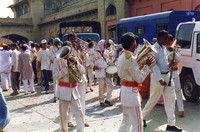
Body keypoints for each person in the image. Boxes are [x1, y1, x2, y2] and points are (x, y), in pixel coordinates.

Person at [142, 30, 182, 131]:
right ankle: (142, 117)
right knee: (153, 99)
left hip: (167, 75)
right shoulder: (153, 49)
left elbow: (164, 64)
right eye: (164, 38)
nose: (166, 40)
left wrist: (171, 64)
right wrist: (160, 79)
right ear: (159, 38)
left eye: (167, 38)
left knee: (170, 99)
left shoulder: (164, 48)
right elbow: (153, 65)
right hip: (157, 78)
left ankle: (171, 123)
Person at [117, 32, 152, 132]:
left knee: (126, 121)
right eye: (135, 42)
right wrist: (147, 66)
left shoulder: (122, 55)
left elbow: (130, 72)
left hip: (124, 90)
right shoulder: (130, 58)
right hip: (132, 93)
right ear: (133, 43)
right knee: (138, 124)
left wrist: (139, 66)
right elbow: (140, 79)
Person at [53, 46, 84, 132]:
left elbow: (83, 70)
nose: (68, 55)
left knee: (79, 111)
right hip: (63, 89)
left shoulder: (74, 59)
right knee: (64, 114)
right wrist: (66, 69)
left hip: (74, 89)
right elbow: (55, 76)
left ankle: (81, 130)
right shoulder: (57, 60)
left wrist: (76, 64)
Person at [167, 34, 184, 117]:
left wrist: (174, 52)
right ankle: (169, 110)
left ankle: (181, 109)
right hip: (167, 72)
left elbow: (179, 59)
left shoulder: (177, 49)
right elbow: (165, 60)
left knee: (178, 90)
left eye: (170, 41)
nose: (169, 43)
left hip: (175, 71)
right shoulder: (165, 49)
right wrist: (170, 53)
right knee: (168, 92)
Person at [94, 39, 114, 106]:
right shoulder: (95, 52)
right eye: (104, 44)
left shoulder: (106, 51)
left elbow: (107, 61)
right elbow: (90, 61)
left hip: (106, 70)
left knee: (111, 85)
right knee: (101, 87)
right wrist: (94, 66)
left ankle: (108, 99)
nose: (105, 45)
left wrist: (114, 62)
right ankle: (101, 100)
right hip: (100, 71)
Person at [49, 38, 62, 102]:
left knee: (61, 80)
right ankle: (55, 95)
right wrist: (57, 53)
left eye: (58, 42)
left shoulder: (61, 47)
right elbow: (51, 56)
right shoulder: (51, 48)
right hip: (55, 65)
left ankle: (60, 94)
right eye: (56, 42)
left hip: (61, 64)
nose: (58, 44)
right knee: (55, 81)